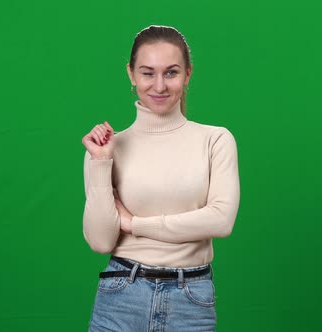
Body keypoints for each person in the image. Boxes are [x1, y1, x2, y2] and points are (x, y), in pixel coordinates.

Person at [81, 25, 240, 331]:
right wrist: (102, 163)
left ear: (188, 75)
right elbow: (101, 242)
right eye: (147, 72)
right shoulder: (107, 149)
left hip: (191, 300)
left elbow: (221, 220)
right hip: (121, 297)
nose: (159, 86)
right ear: (131, 74)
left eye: (171, 72)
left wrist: (133, 224)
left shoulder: (215, 140)